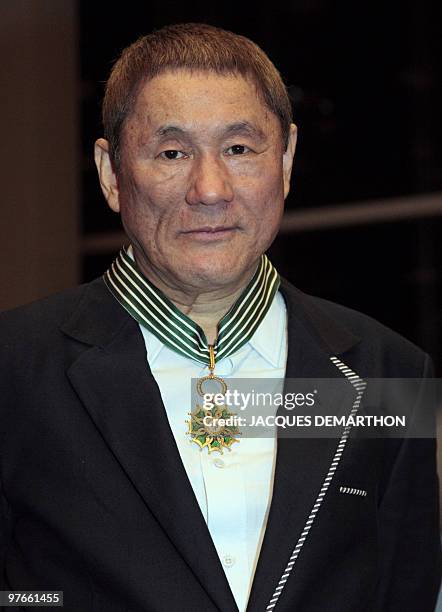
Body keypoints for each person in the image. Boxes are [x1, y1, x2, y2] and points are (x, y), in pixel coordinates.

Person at [0, 23, 440, 612]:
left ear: (284, 161)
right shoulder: (15, 369)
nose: (210, 189)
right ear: (111, 174)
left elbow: (403, 593)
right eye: (172, 153)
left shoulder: (391, 374)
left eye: (239, 149)